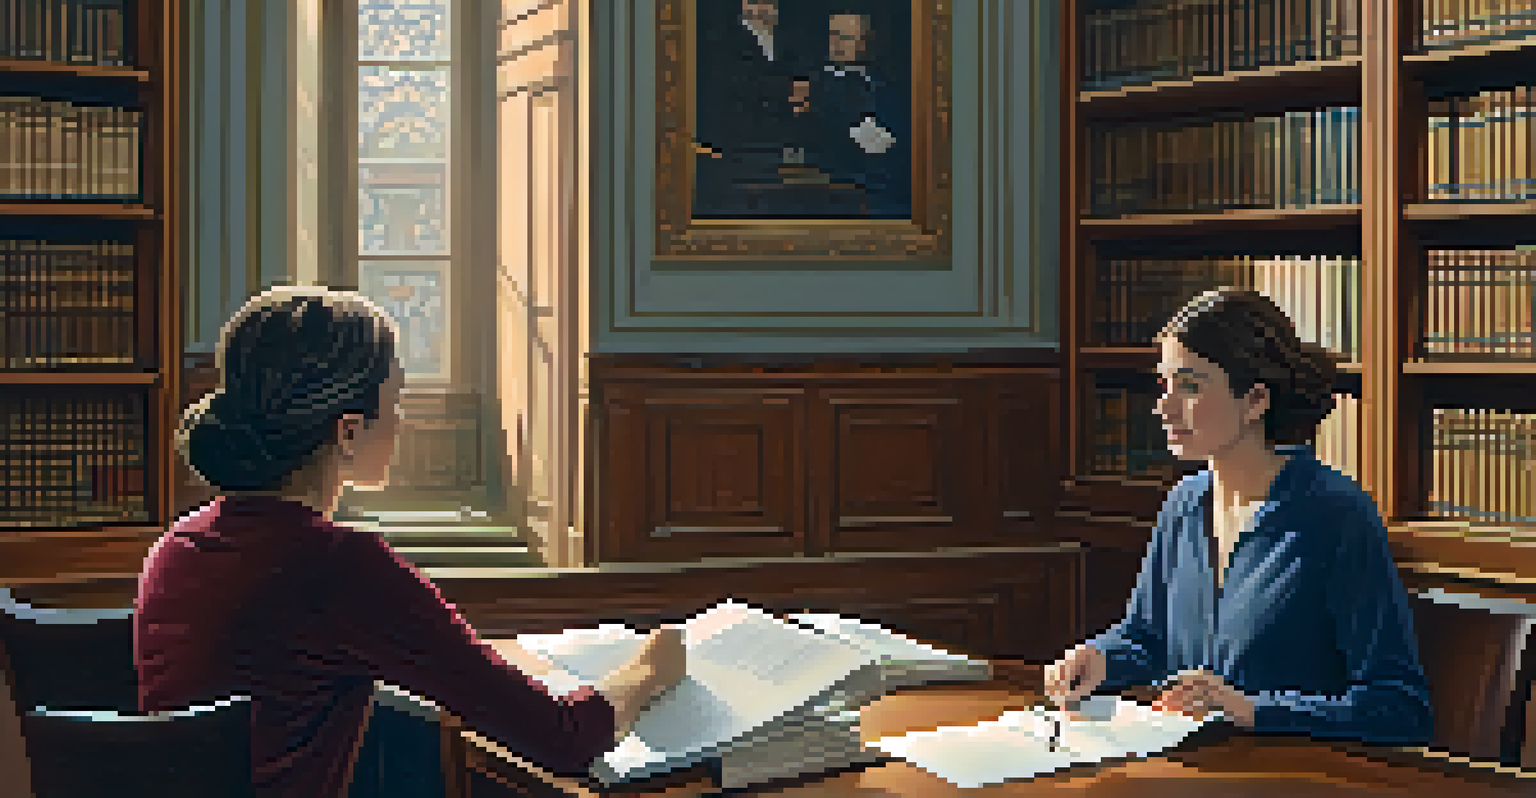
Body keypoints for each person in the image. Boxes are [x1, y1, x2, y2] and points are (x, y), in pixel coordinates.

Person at [135, 287, 686, 797]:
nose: (400, 422)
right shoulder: (338, 566)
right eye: (394, 401)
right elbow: (564, 738)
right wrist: (647, 669)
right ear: (348, 431)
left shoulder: (180, 544)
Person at [1045, 288, 1433, 746]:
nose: (1164, 408)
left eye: (1190, 386)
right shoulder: (1184, 504)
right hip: (1193, 768)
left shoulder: (1335, 514)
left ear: (1255, 401)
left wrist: (1252, 709)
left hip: (1296, 777)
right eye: (1164, 384)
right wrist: (1099, 659)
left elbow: (1398, 707)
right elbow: (1146, 638)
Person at [694, 0, 802, 217]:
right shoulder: (723, 40)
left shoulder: (786, 41)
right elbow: (734, 83)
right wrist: (787, 88)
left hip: (777, 145)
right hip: (740, 146)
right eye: (753, 2)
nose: (760, 9)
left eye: (767, 3)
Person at [793, 10, 900, 217]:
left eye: (846, 37)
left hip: (879, 182)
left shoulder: (880, 82)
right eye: (834, 35)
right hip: (831, 180)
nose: (838, 44)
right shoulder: (811, 83)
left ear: (863, 43)